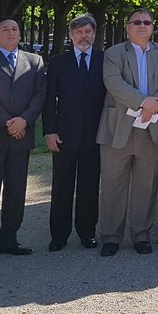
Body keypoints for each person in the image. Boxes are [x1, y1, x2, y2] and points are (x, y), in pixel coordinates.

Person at [97, 8, 158, 255]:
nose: (142, 25)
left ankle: (141, 234)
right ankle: (111, 236)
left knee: (147, 183)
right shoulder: (113, 53)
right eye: (136, 22)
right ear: (127, 27)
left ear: (153, 27)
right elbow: (113, 83)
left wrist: (156, 104)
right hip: (118, 126)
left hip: (152, 126)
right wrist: (144, 103)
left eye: (147, 22)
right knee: (112, 183)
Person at [0, 18, 46, 262]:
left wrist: (24, 121)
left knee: (16, 191)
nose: (10, 32)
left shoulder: (34, 61)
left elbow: (40, 95)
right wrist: (8, 122)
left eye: (14, 29)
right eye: (5, 29)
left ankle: (9, 240)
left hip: (22, 136)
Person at [44, 14, 106, 252]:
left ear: (94, 34)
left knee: (89, 187)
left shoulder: (104, 61)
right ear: (70, 35)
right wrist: (49, 130)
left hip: (95, 135)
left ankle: (87, 232)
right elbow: (50, 100)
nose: (83, 36)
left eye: (88, 31)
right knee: (61, 187)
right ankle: (59, 235)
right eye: (79, 32)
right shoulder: (59, 62)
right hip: (64, 135)